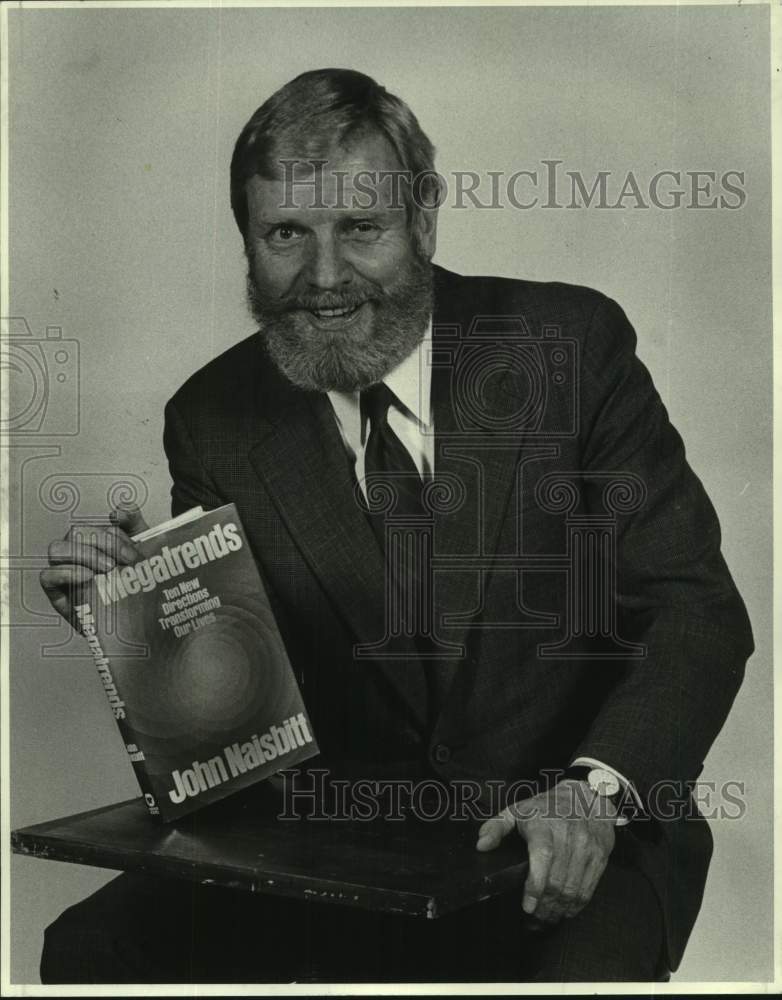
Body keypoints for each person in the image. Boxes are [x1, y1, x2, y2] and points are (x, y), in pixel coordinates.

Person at [38, 68, 753, 983]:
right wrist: (130, 622)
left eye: (361, 229)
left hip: (571, 833)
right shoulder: (213, 415)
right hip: (345, 848)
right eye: (286, 233)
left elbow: (697, 609)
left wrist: (595, 793)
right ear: (246, 240)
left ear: (424, 220)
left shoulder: (569, 344)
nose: (325, 278)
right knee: (92, 950)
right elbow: (252, 708)